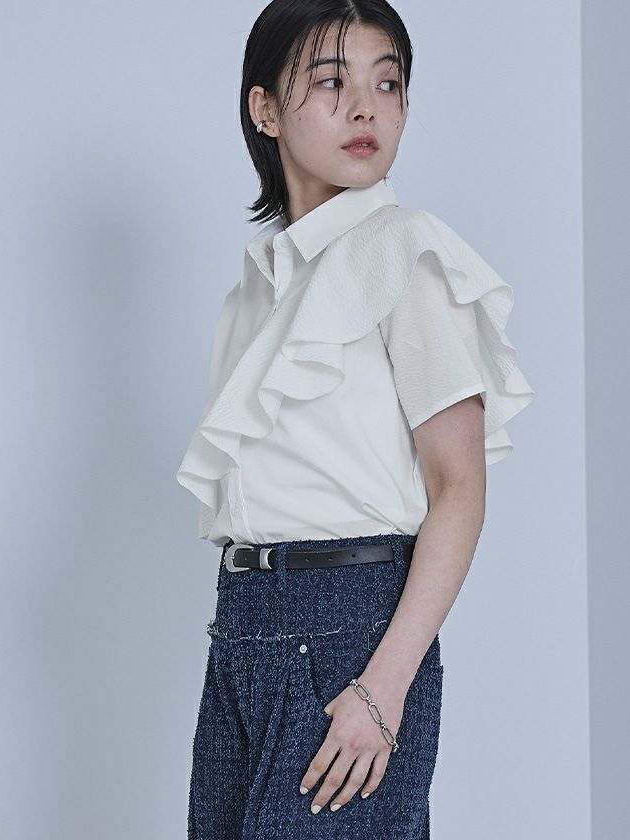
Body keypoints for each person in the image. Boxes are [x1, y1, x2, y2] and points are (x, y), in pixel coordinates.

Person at [175, 2, 535, 838]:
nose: (367, 108)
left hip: (353, 630)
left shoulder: (407, 255)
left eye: (388, 83)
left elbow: (459, 489)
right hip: (242, 628)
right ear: (265, 109)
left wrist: (384, 685)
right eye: (332, 82)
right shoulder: (254, 293)